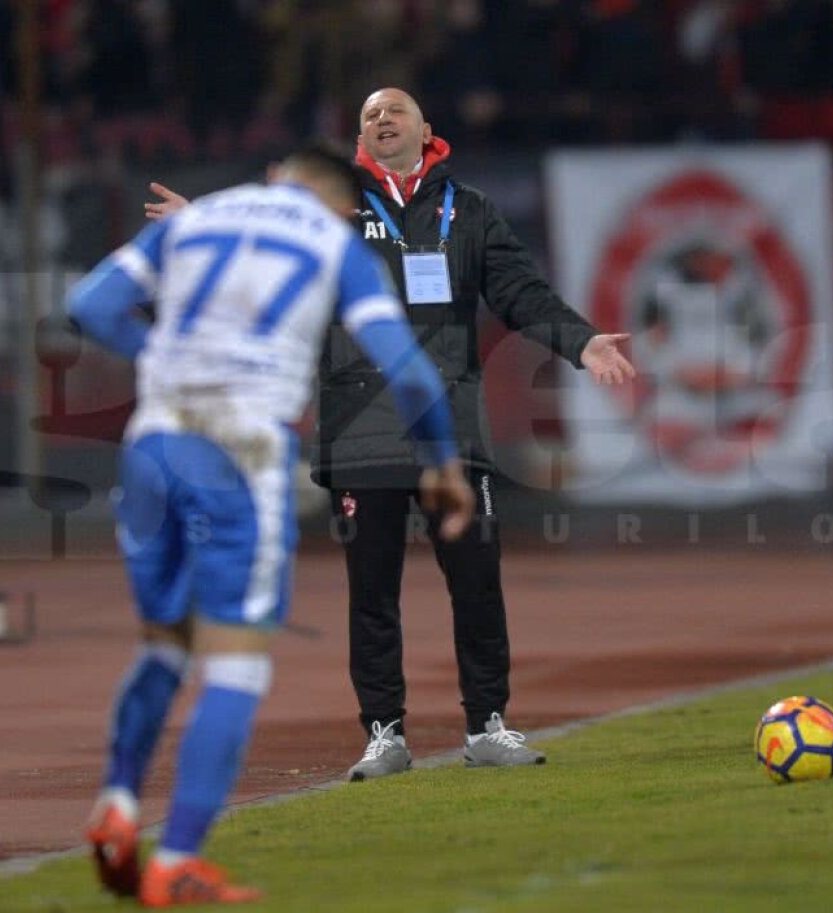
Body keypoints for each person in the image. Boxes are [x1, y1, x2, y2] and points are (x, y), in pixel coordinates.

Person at [146, 87, 634, 782]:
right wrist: (198, 224)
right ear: (359, 140)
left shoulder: (468, 210)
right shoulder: (333, 206)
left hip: (449, 433)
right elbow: (264, 247)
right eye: (370, 114)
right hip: (360, 428)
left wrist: (580, 342)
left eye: (394, 110)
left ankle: (487, 725)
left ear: (425, 129)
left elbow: (520, 291)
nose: (381, 118)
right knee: (372, 593)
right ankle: (384, 733)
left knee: (477, 585)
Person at [70, 142, 474, 907]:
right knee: (237, 663)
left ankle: (118, 802)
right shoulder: (337, 246)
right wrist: (443, 462)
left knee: (164, 643)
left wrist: (161, 355)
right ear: (341, 206)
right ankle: (176, 859)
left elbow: (89, 304)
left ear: (274, 179)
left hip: (153, 442)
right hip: (240, 448)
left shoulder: (195, 220)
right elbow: (412, 373)